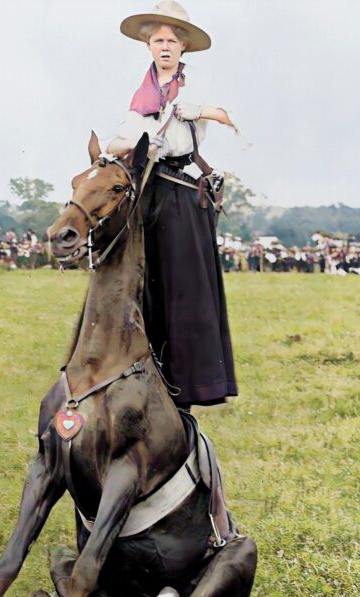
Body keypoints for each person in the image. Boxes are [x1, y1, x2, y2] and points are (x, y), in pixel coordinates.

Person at [105, 0, 238, 411]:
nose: (164, 46)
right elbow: (116, 142)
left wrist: (196, 111)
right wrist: (133, 143)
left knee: (184, 293)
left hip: (182, 196)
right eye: (157, 40)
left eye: (171, 40)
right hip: (148, 195)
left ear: (183, 47)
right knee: (138, 285)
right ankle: (132, 375)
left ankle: (189, 386)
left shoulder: (192, 90)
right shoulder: (140, 95)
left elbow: (227, 118)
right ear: (148, 46)